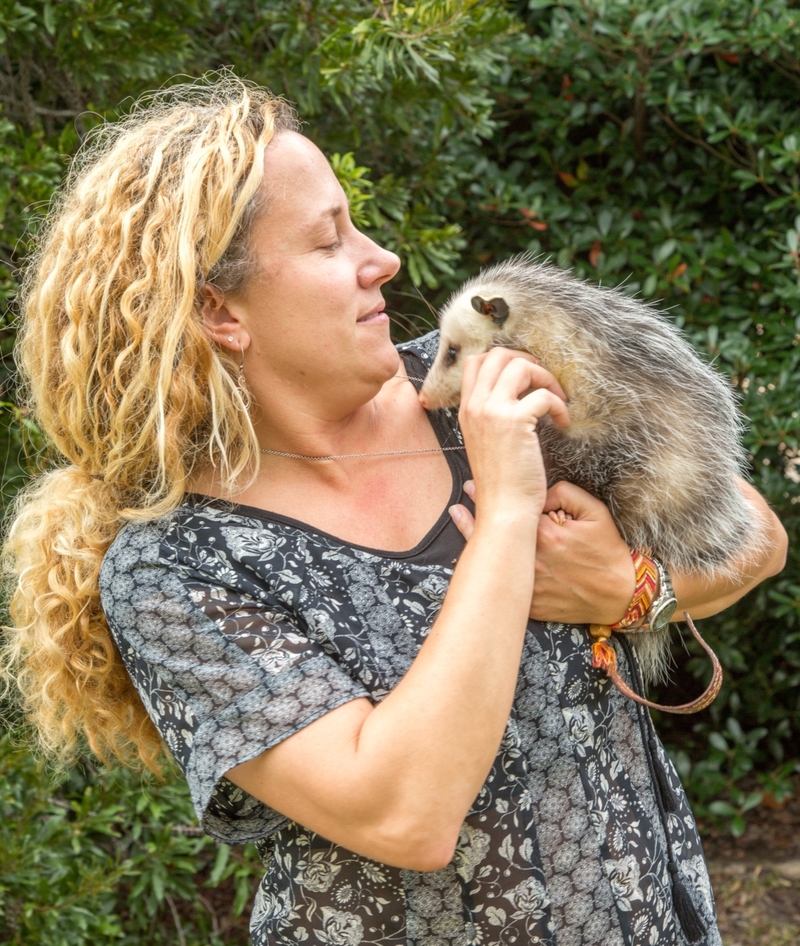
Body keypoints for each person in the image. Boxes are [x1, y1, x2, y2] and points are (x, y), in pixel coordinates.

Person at [1, 76, 787, 946]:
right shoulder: (178, 568)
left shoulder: (467, 383)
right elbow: (405, 815)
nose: (383, 260)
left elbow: (750, 531)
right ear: (222, 311)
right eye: (330, 241)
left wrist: (632, 589)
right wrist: (508, 516)